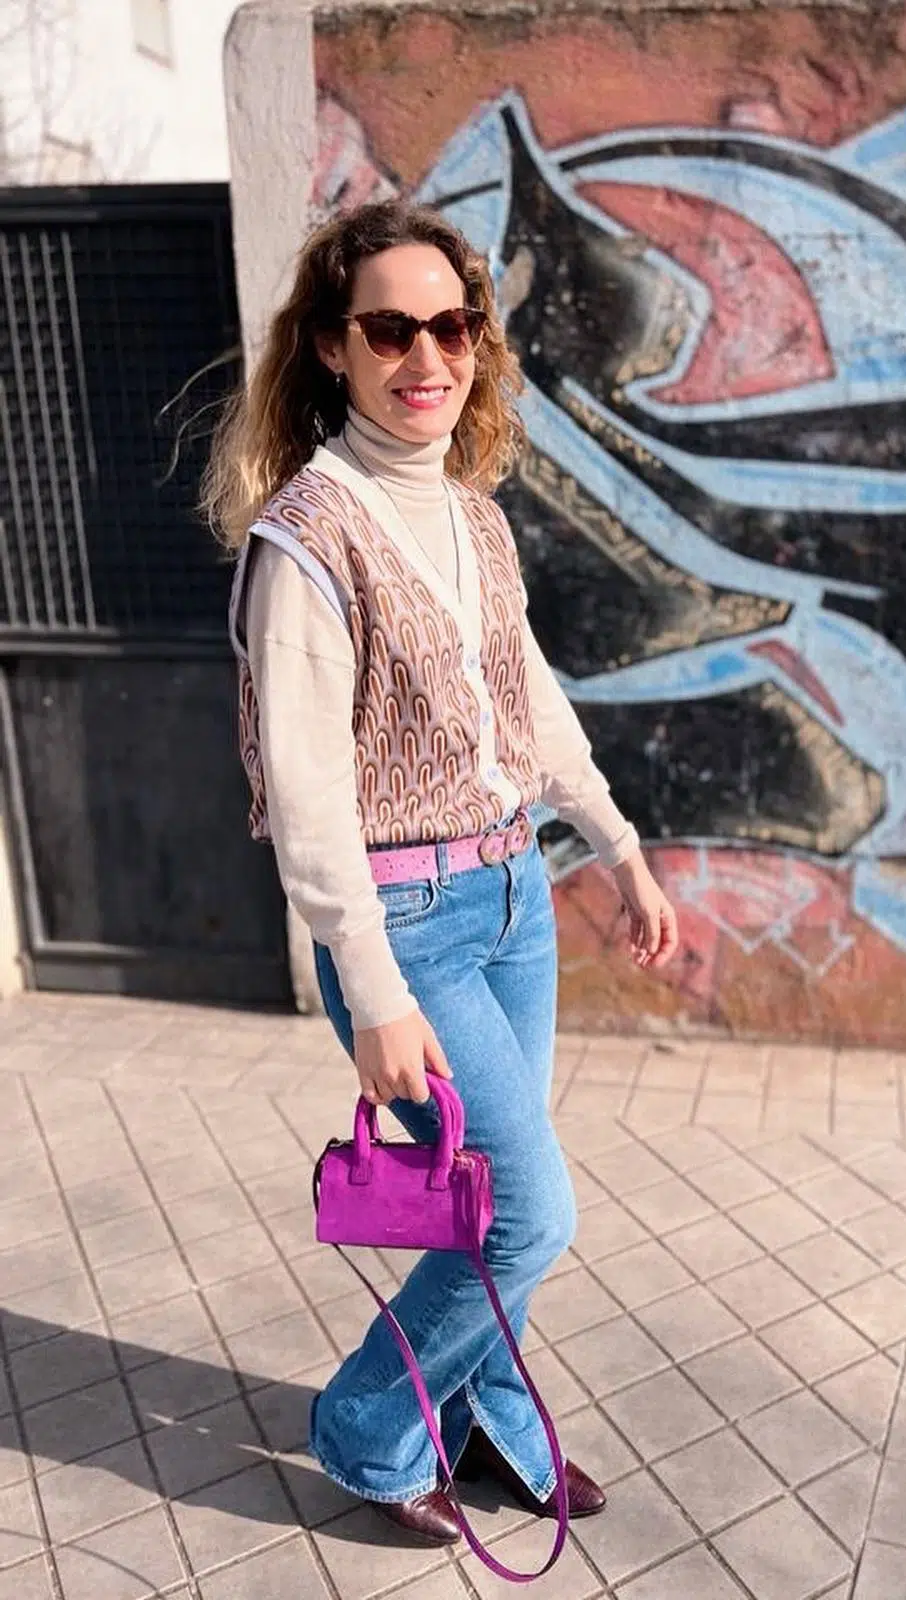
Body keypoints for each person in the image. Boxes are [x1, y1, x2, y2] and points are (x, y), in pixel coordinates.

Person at [202, 198, 679, 1545]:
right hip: (404, 927)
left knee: (492, 1206)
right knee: (530, 1214)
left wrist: (619, 847)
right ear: (334, 350)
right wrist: (375, 989)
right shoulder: (308, 539)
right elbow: (305, 801)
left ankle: (482, 1422)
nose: (428, 355)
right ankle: (367, 1431)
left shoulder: (475, 520)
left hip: (515, 897)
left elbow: (532, 698)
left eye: (451, 324)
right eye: (391, 329)